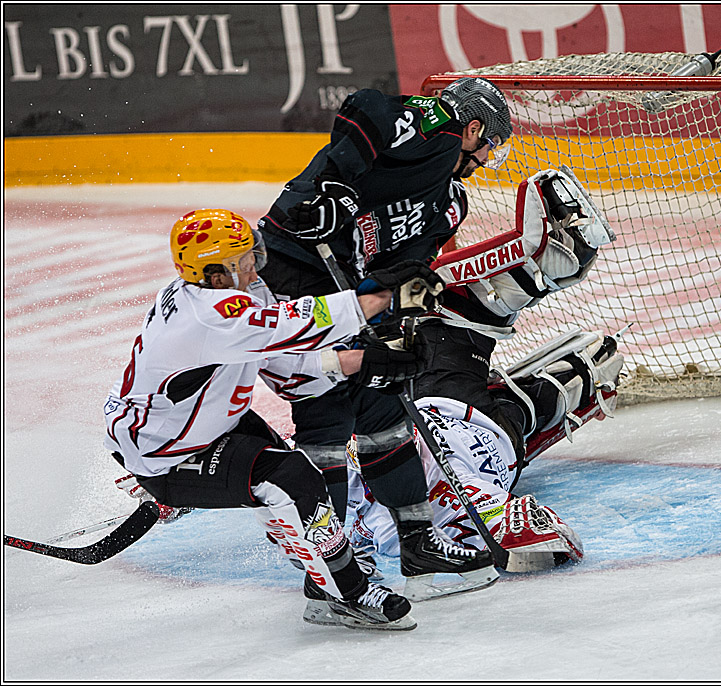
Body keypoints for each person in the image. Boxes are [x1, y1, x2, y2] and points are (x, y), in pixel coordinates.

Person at [104, 208, 442, 631]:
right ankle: (347, 595)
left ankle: (319, 565)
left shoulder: (228, 298)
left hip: (205, 429)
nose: (255, 263)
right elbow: (294, 327)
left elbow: (282, 361)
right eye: (244, 259)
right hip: (166, 453)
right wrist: (377, 299)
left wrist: (363, 362)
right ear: (215, 275)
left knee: (290, 484)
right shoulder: (211, 315)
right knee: (293, 480)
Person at [255, 77, 514, 598]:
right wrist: (337, 186)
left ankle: (419, 544)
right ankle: (328, 570)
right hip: (295, 261)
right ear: (475, 126)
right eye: (489, 147)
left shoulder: (447, 201)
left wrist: (399, 327)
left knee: (384, 407)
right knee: (324, 412)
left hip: (349, 286)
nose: (486, 160)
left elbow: (405, 268)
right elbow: (365, 108)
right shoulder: (436, 127)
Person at [346, 166, 623, 575]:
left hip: (476, 428)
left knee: (559, 384)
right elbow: (557, 542)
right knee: (440, 304)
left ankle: (548, 263)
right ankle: (545, 256)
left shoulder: (361, 516)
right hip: (458, 411)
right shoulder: (436, 508)